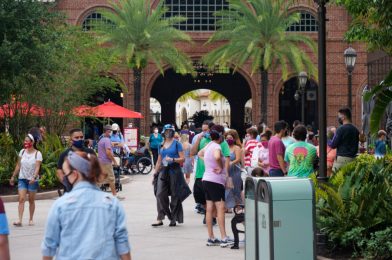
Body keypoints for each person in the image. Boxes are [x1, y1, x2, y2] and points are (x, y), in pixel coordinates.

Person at [41, 151, 131, 260]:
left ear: (75, 174)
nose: (65, 178)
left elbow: (49, 246)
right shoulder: (112, 204)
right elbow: (122, 242)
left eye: (66, 174)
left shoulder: (61, 205)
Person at [198, 125, 233, 247]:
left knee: (209, 209)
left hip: (206, 179)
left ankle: (211, 237)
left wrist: (208, 163)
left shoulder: (208, 146)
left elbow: (199, 153)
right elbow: (218, 156)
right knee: (220, 208)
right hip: (216, 181)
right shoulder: (217, 146)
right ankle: (224, 237)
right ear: (220, 135)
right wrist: (220, 166)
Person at [191, 121, 231, 224]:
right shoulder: (203, 140)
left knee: (212, 199)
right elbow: (193, 152)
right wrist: (198, 139)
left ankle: (211, 216)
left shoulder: (221, 142)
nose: (204, 132)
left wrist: (225, 172)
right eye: (202, 130)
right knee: (199, 196)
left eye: (206, 130)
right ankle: (209, 214)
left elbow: (226, 158)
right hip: (200, 173)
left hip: (213, 175)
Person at [152, 124, 190, 227]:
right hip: (163, 171)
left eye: (171, 131)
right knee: (159, 194)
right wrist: (155, 174)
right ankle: (164, 216)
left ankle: (173, 218)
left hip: (174, 171)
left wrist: (173, 159)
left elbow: (183, 158)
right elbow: (159, 161)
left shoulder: (177, 144)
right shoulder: (161, 144)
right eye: (167, 131)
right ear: (164, 132)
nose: (169, 133)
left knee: (175, 195)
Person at [9, 134, 42, 226]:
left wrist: (34, 177)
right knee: (21, 199)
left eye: (27, 141)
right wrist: (13, 176)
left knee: (31, 200)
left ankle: (31, 219)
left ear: (32, 142)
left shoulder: (37, 153)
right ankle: (19, 220)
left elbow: (37, 167)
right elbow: (18, 165)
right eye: (25, 141)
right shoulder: (22, 152)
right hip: (22, 178)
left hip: (32, 180)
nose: (25, 142)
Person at [57, 128, 96, 195]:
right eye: (76, 137)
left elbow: (96, 168)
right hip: (70, 192)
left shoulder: (90, 152)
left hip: (88, 191)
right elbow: (59, 170)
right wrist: (66, 183)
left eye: (81, 137)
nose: (79, 139)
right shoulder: (64, 154)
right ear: (71, 140)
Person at [98, 125, 124, 200]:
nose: (112, 133)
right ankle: (115, 196)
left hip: (101, 161)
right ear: (108, 131)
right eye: (111, 131)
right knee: (111, 179)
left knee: (102, 179)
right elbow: (108, 153)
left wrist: (116, 144)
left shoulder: (102, 140)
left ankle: (96, 195)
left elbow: (111, 145)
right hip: (106, 162)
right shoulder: (107, 140)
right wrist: (114, 161)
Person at [224, 130, 243, 210]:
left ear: (234, 139)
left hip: (235, 171)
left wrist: (231, 162)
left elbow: (238, 159)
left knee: (236, 189)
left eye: (230, 138)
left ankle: (238, 207)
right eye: (227, 138)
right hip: (226, 171)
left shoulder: (236, 148)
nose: (229, 139)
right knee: (227, 189)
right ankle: (227, 207)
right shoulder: (225, 148)